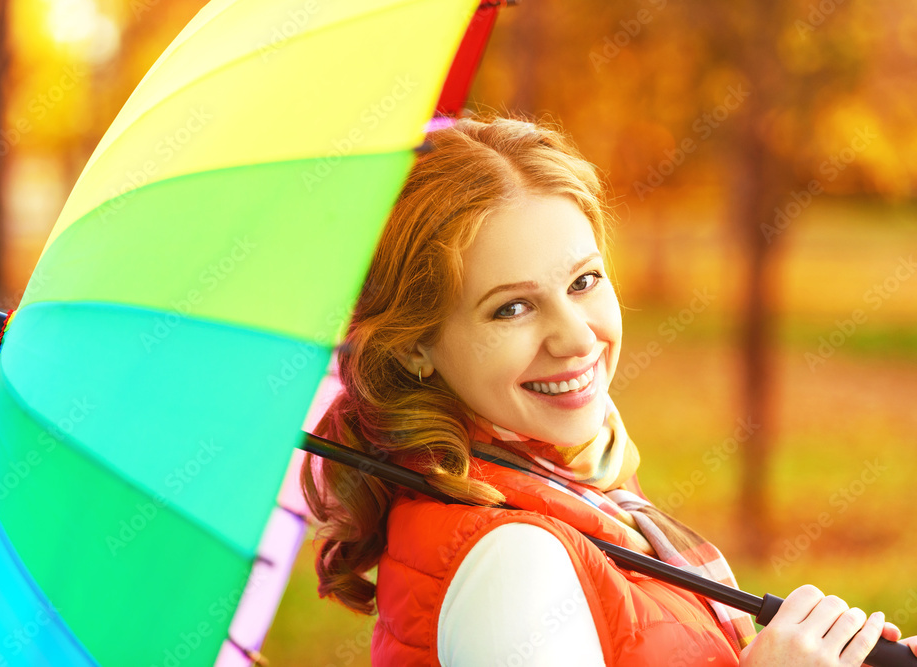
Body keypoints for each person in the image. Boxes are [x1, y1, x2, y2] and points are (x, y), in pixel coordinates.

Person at [300, 114, 917, 666]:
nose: (574, 337)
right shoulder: (514, 565)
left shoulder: (574, 492)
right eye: (511, 308)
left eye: (584, 280)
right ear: (416, 345)